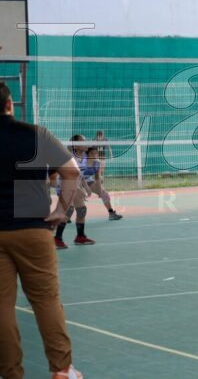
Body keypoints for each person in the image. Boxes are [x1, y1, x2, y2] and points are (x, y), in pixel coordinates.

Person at [0, 82, 85, 379]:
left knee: (2, 308)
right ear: (10, 104)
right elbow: (72, 172)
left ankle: (10, 373)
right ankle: (62, 370)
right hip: (32, 227)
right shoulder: (36, 134)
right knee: (46, 301)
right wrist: (61, 209)